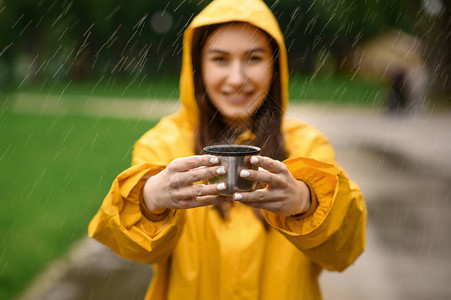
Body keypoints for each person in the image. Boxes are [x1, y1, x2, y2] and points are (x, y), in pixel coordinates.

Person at [88, 0, 367, 299]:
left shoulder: (307, 146)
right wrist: (148, 199)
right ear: (198, 66)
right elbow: (133, 249)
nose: (236, 79)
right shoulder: (164, 144)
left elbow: (345, 252)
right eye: (220, 59)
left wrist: (305, 201)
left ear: (275, 65)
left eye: (253, 58)